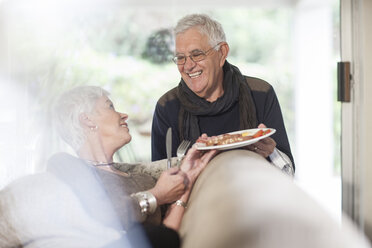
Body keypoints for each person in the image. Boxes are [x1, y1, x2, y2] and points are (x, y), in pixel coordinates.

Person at [0, 86, 216, 248]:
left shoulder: (144, 180)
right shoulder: (68, 166)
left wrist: (185, 181)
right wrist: (156, 195)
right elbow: (102, 215)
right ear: (87, 120)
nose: (124, 115)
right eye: (110, 106)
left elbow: (165, 237)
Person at [151, 13, 294, 175]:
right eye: (180, 57)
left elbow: (288, 172)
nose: (188, 66)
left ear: (222, 53)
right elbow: (158, 178)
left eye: (197, 54)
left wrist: (270, 153)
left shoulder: (260, 93)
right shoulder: (167, 106)